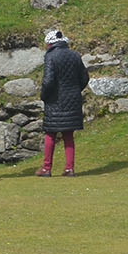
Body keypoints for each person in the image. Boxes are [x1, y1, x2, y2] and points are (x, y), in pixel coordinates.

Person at [37, 29, 89, 177]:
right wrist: (75, 90)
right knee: (68, 135)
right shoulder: (75, 55)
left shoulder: (50, 56)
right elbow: (85, 77)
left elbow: (48, 81)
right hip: (73, 99)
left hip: (55, 100)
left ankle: (46, 168)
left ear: (50, 43)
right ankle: (69, 168)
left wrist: (44, 96)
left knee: (50, 134)